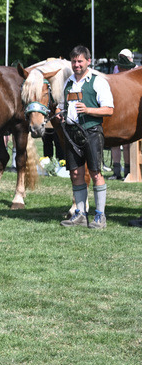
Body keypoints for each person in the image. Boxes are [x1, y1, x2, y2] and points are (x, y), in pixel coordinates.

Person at [56, 46, 114, 229]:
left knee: (96, 172)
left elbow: (109, 110)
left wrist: (88, 110)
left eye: (80, 61)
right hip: (72, 132)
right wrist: (60, 113)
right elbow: (61, 106)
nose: (77, 64)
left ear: (88, 61)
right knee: (75, 173)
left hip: (91, 131)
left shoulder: (98, 82)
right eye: (74, 61)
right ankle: (80, 214)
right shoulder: (69, 83)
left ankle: (100, 216)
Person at [110, 49, 134, 180]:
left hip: (129, 109)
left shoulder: (135, 70)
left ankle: (128, 170)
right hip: (117, 108)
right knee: (115, 142)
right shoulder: (116, 69)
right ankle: (116, 171)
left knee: (126, 143)